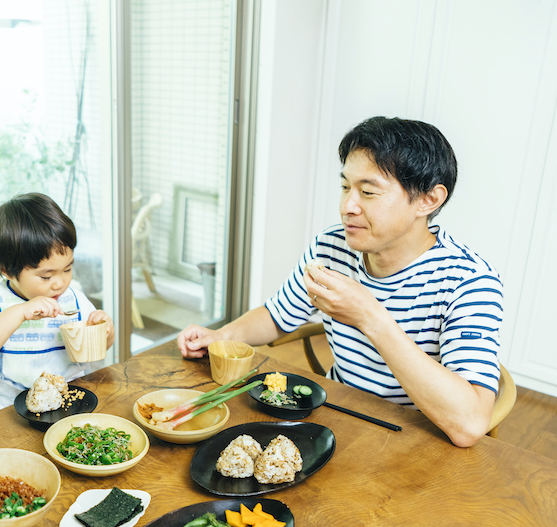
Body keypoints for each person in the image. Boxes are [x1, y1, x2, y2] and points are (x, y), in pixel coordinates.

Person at [178, 116, 503, 448]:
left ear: (428, 200)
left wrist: (370, 317)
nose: (348, 206)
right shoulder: (332, 246)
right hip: (337, 417)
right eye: (346, 187)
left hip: (417, 438)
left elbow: (469, 423)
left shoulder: (470, 281)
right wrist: (220, 336)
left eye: (369, 191)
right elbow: (278, 315)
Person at [0, 193, 115, 411]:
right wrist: (21, 312)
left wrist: (104, 332)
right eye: (46, 276)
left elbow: (98, 349)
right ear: (7, 270)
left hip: (71, 402)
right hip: (10, 411)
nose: (60, 283)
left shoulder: (72, 299)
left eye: (68, 269)